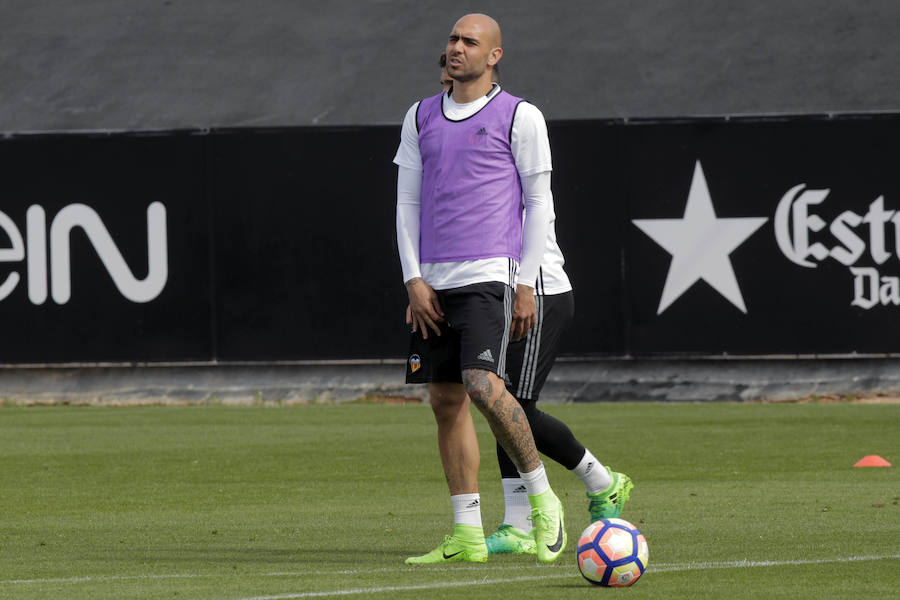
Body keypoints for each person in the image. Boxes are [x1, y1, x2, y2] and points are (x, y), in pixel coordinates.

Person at [428, 52, 634, 557]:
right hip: (493, 285)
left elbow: (537, 205)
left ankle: (597, 482)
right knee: (504, 404)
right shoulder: (440, 129)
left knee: (511, 404)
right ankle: (528, 518)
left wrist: (526, 282)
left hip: (534, 287)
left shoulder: (510, 128)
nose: (448, 78)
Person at [394, 13, 566, 564]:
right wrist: (413, 278)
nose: (456, 48)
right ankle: (467, 532)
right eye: (452, 39)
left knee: (483, 386)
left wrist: (523, 282)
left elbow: (539, 203)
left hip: (491, 272)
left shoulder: (521, 115)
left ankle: (544, 501)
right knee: (445, 401)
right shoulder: (419, 116)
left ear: (494, 54)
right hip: (433, 281)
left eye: (469, 41)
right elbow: (407, 204)